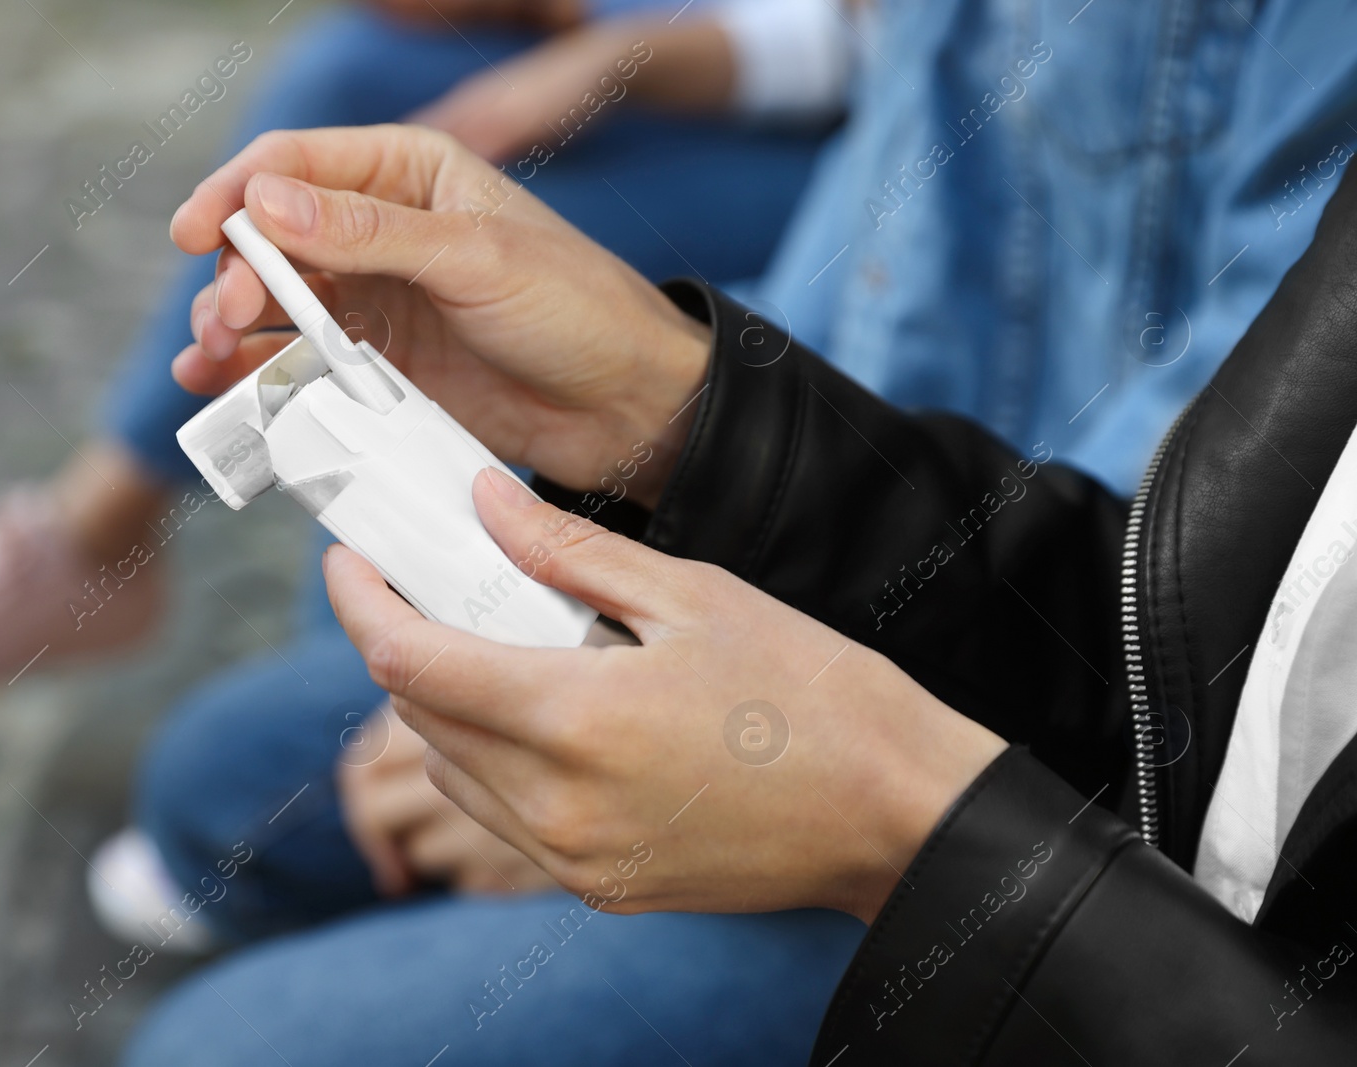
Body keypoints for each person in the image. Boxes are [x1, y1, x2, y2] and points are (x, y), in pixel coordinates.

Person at [152, 118, 1357, 1064]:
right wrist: (684, 413)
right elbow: (1189, 641)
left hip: (1026, 919)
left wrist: (901, 825)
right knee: (219, 780)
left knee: (205, 1040)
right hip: (1037, 785)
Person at [0, 0, 837, 697]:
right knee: (344, 78)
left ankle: (310, 699)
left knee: (438, 233)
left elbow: (870, 42)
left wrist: (620, 53)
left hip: (837, 128)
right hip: (707, 47)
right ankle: (103, 532)